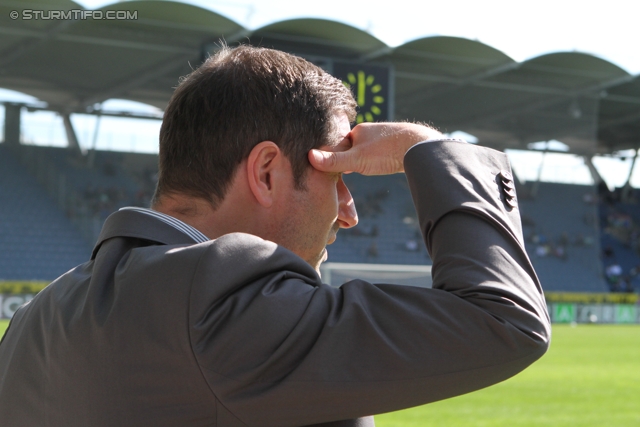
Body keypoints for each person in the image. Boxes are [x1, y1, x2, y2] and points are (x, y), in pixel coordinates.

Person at [0, 45, 550, 426]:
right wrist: (427, 150)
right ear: (266, 172)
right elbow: (504, 320)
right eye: (337, 179)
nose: (349, 213)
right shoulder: (218, 293)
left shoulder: (32, 324)